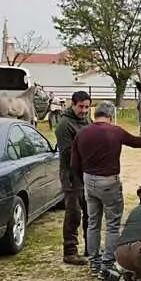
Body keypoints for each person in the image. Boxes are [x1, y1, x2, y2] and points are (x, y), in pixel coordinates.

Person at [70, 101, 141, 280]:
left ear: (95, 114)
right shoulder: (115, 131)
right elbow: (136, 142)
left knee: (93, 223)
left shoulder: (82, 132)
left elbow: (74, 163)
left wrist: (83, 181)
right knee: (113, 224)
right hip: (109, 182)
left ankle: (94, 263)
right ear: (110, 116)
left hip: (88, 180)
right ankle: (107, 264)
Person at [55, 90, 92, 265]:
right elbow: (67, 152)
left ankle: (90, 248)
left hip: (87, 173)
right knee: (74, 213)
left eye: (87, 107)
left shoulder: (86, 120)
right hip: (71, 174)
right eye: (81, 107)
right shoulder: (64, 124)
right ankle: (70, 251)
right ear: (73, 104)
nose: (84, 110)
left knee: (90, 212)